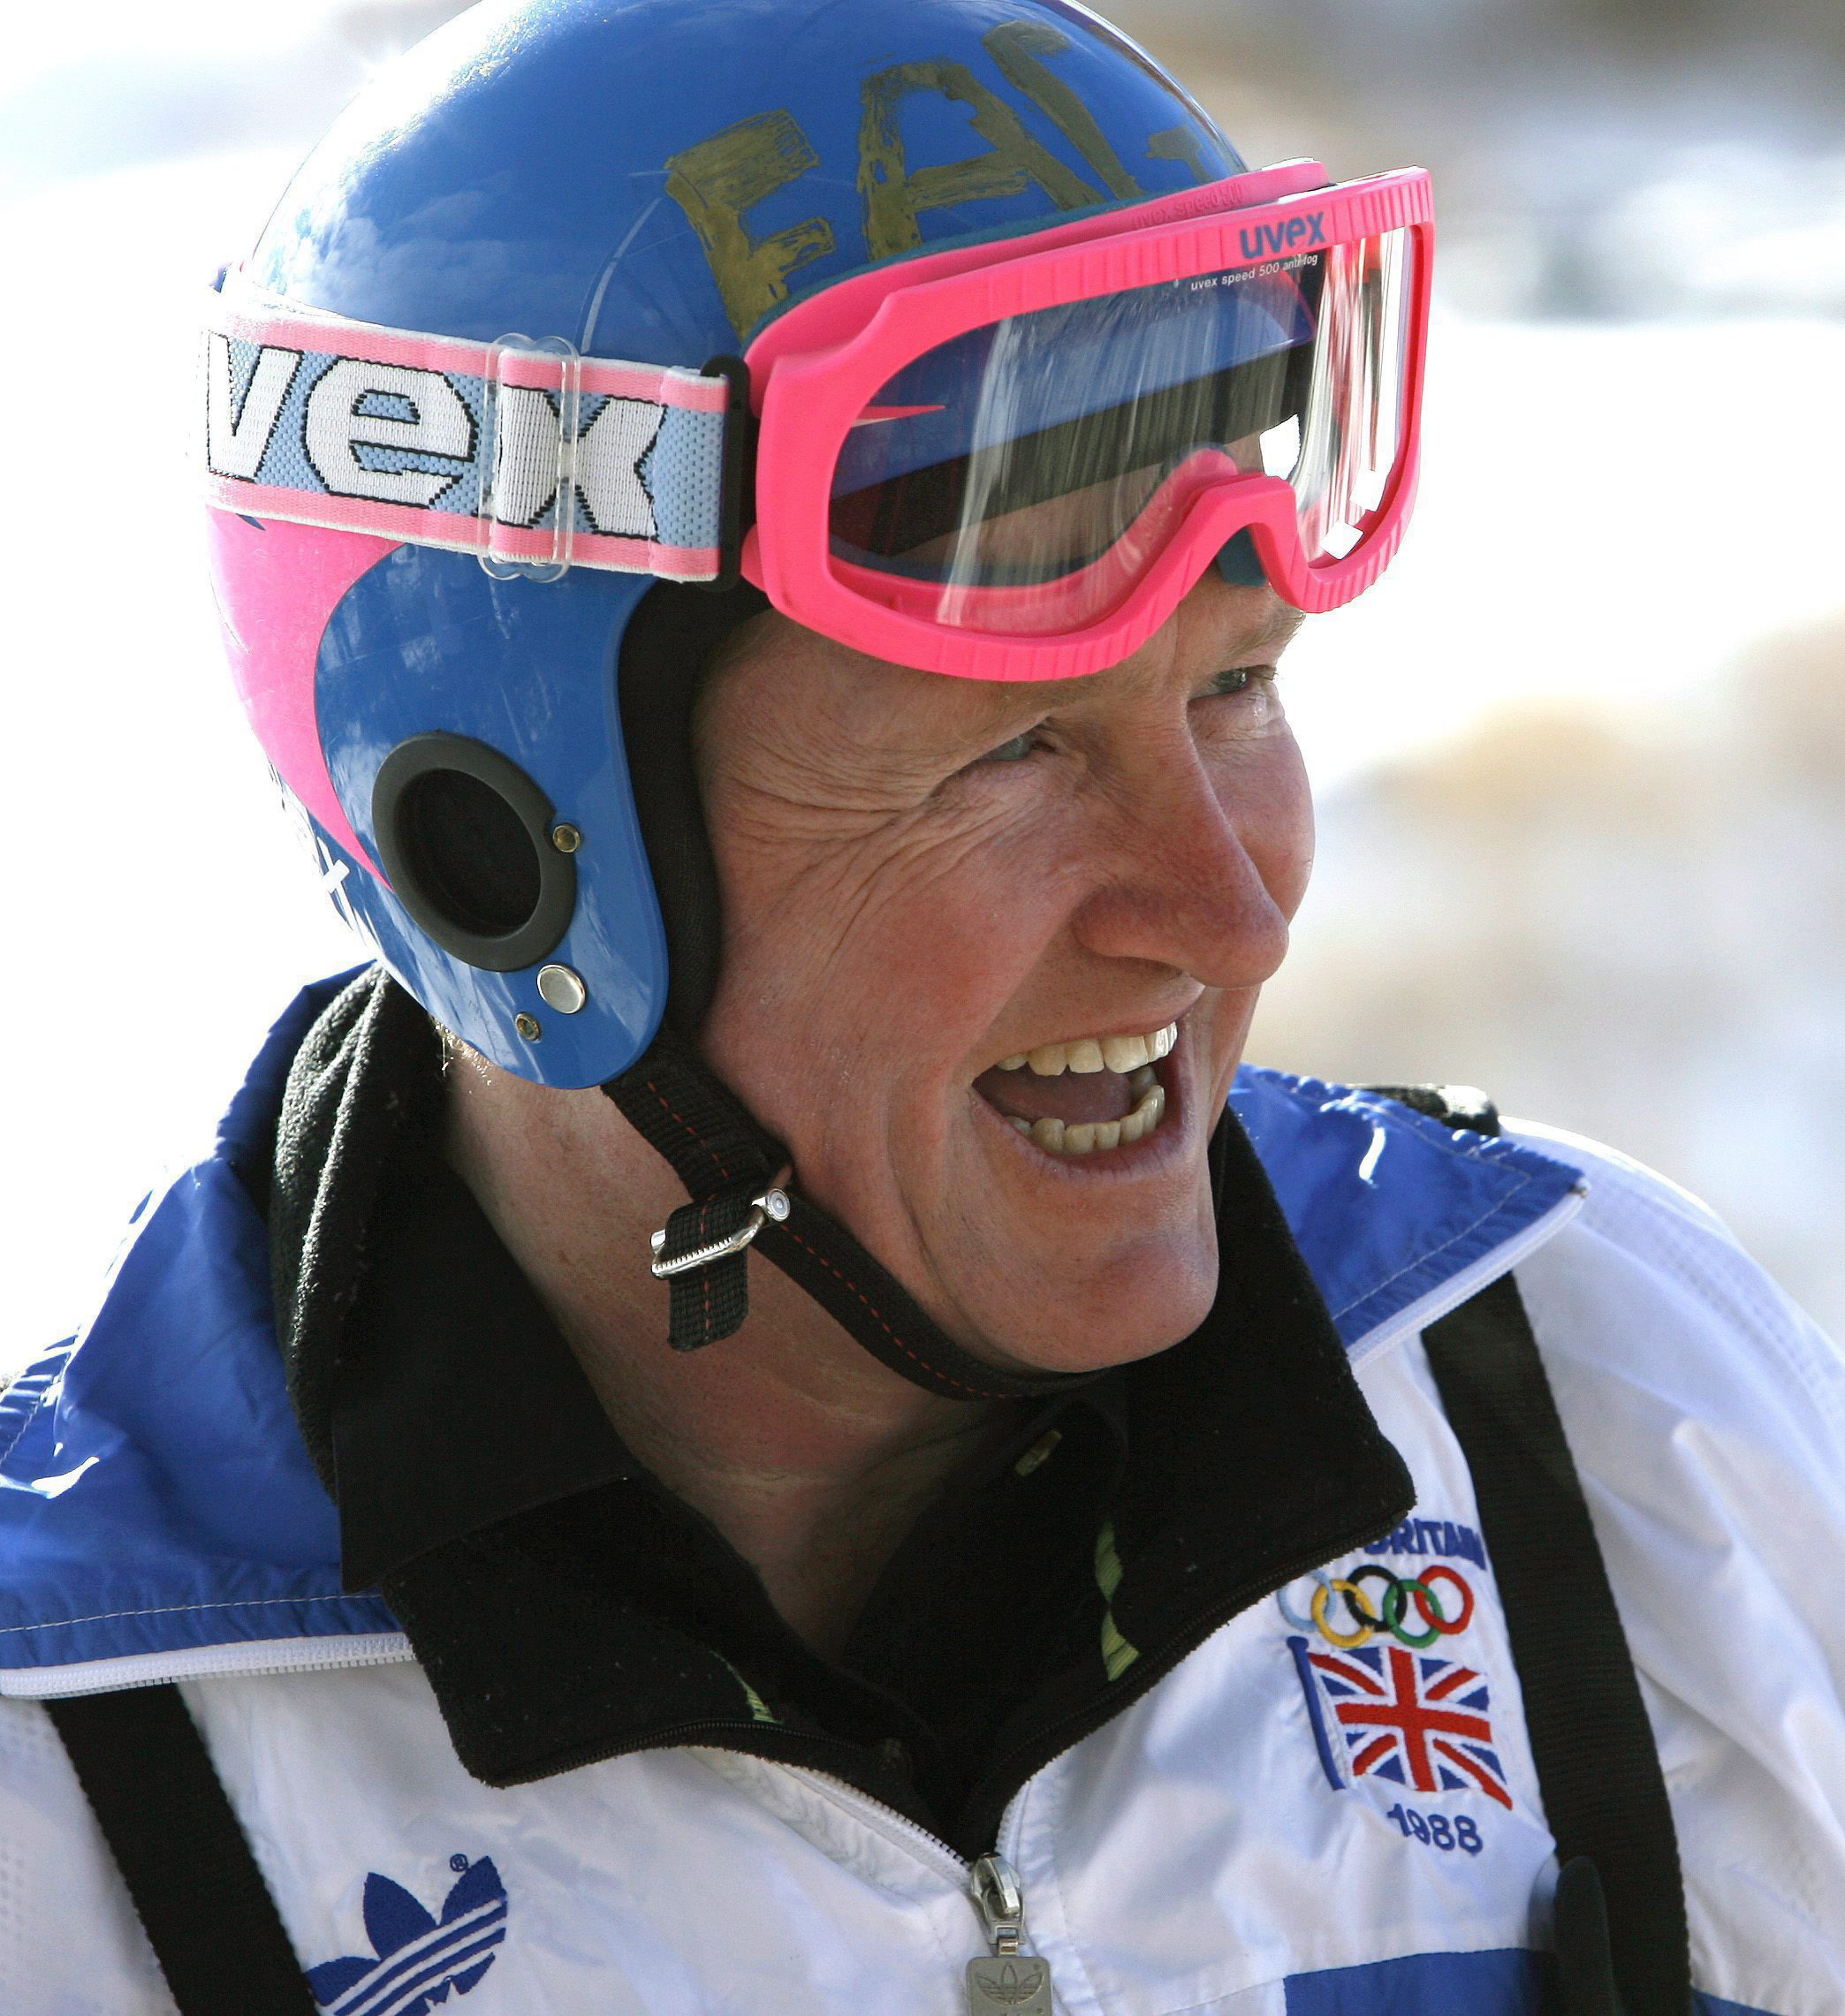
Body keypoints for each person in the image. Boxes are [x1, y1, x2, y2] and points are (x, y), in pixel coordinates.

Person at [1, 0, 1840, 2009]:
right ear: (498, 851)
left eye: (1238, 688)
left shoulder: (1602, 1406)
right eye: (1014, 751)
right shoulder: (66, 1783)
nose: (1223, 916)